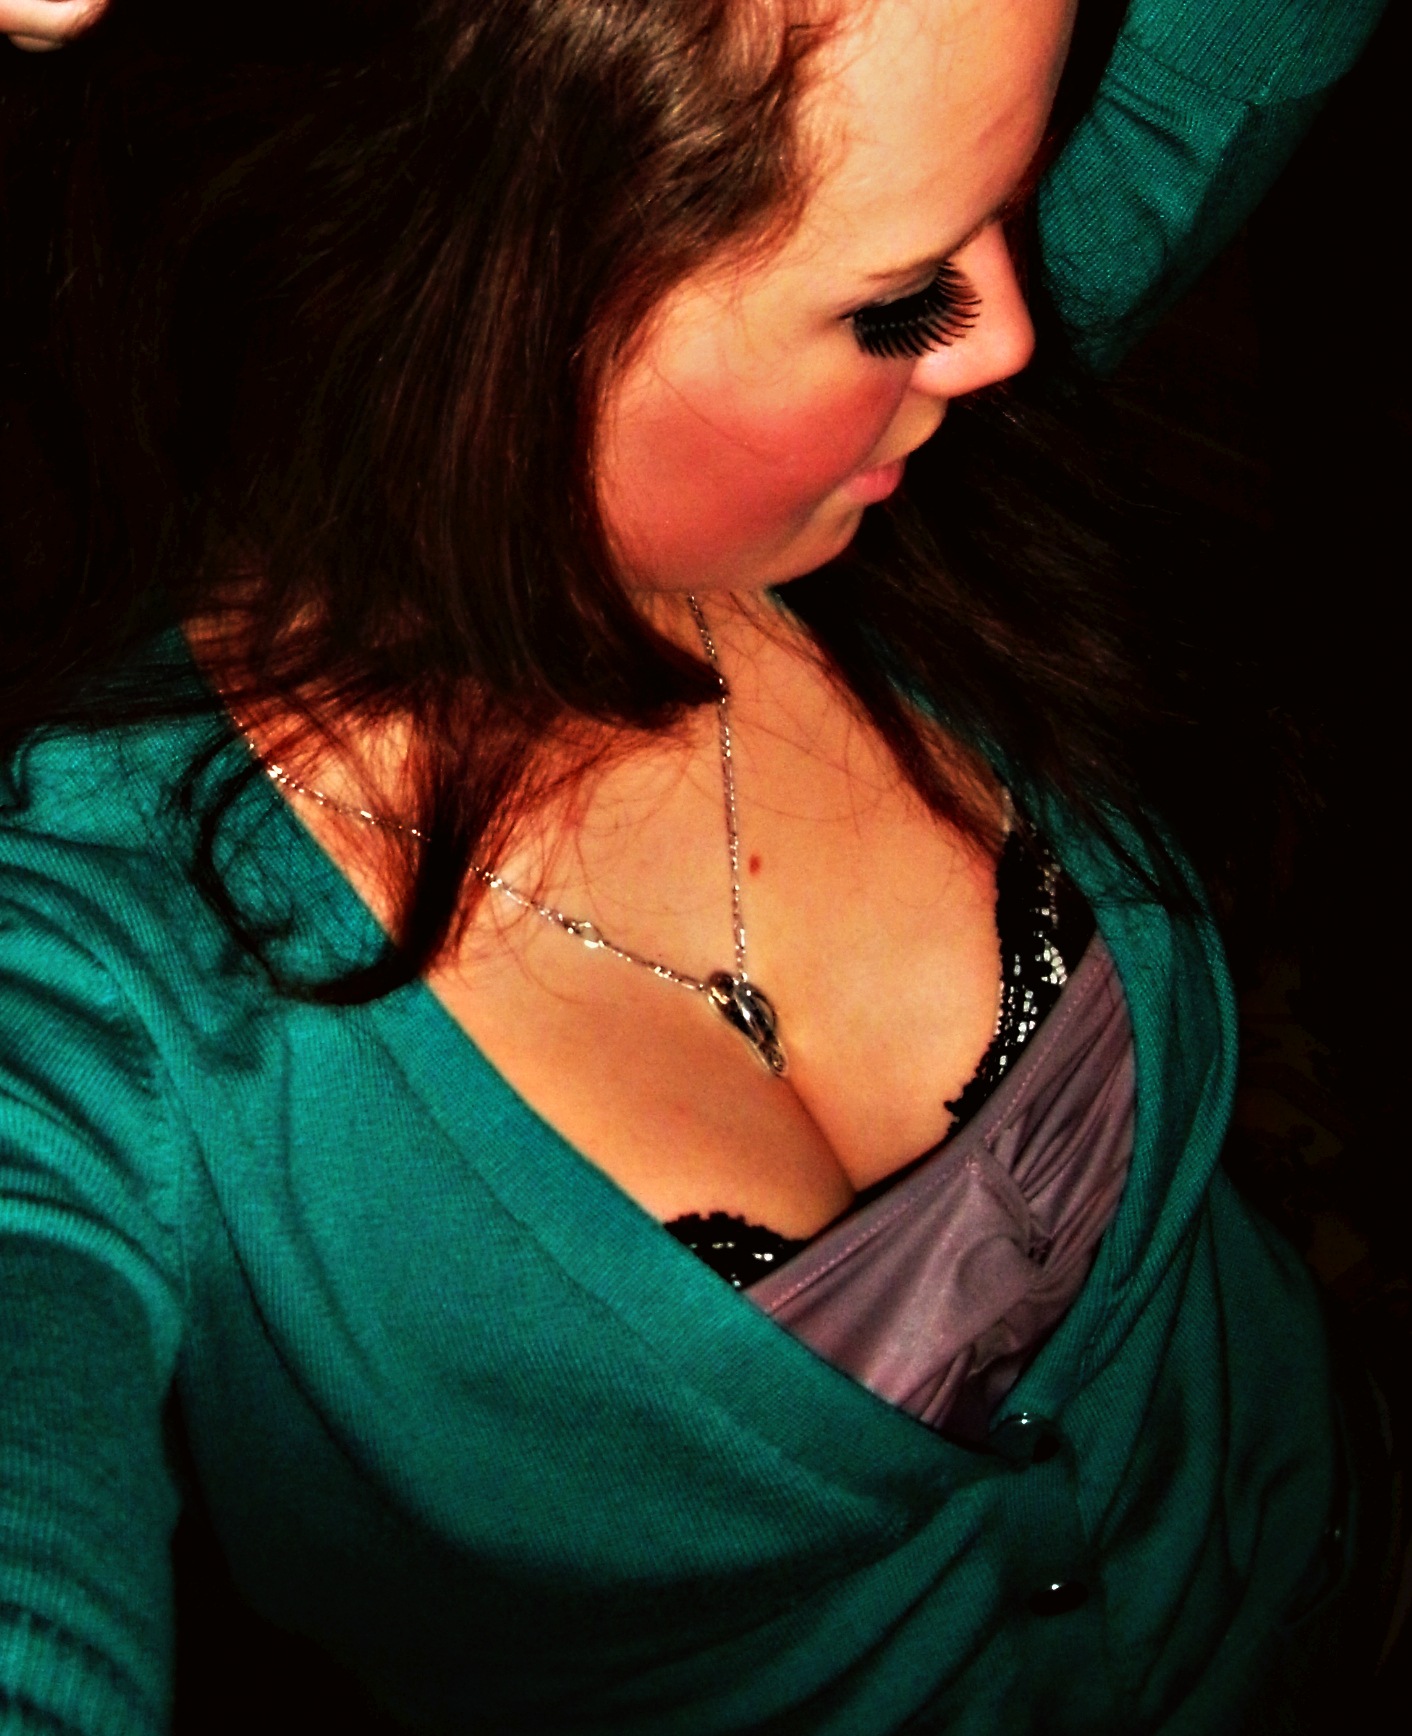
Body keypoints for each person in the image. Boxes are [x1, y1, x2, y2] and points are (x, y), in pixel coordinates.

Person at [0, 2, 1393, 1733]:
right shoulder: (81, 1009)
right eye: (897, 298)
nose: (1008, 334)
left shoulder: (911, 456)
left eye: (1016, 201)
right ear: (480, 303)